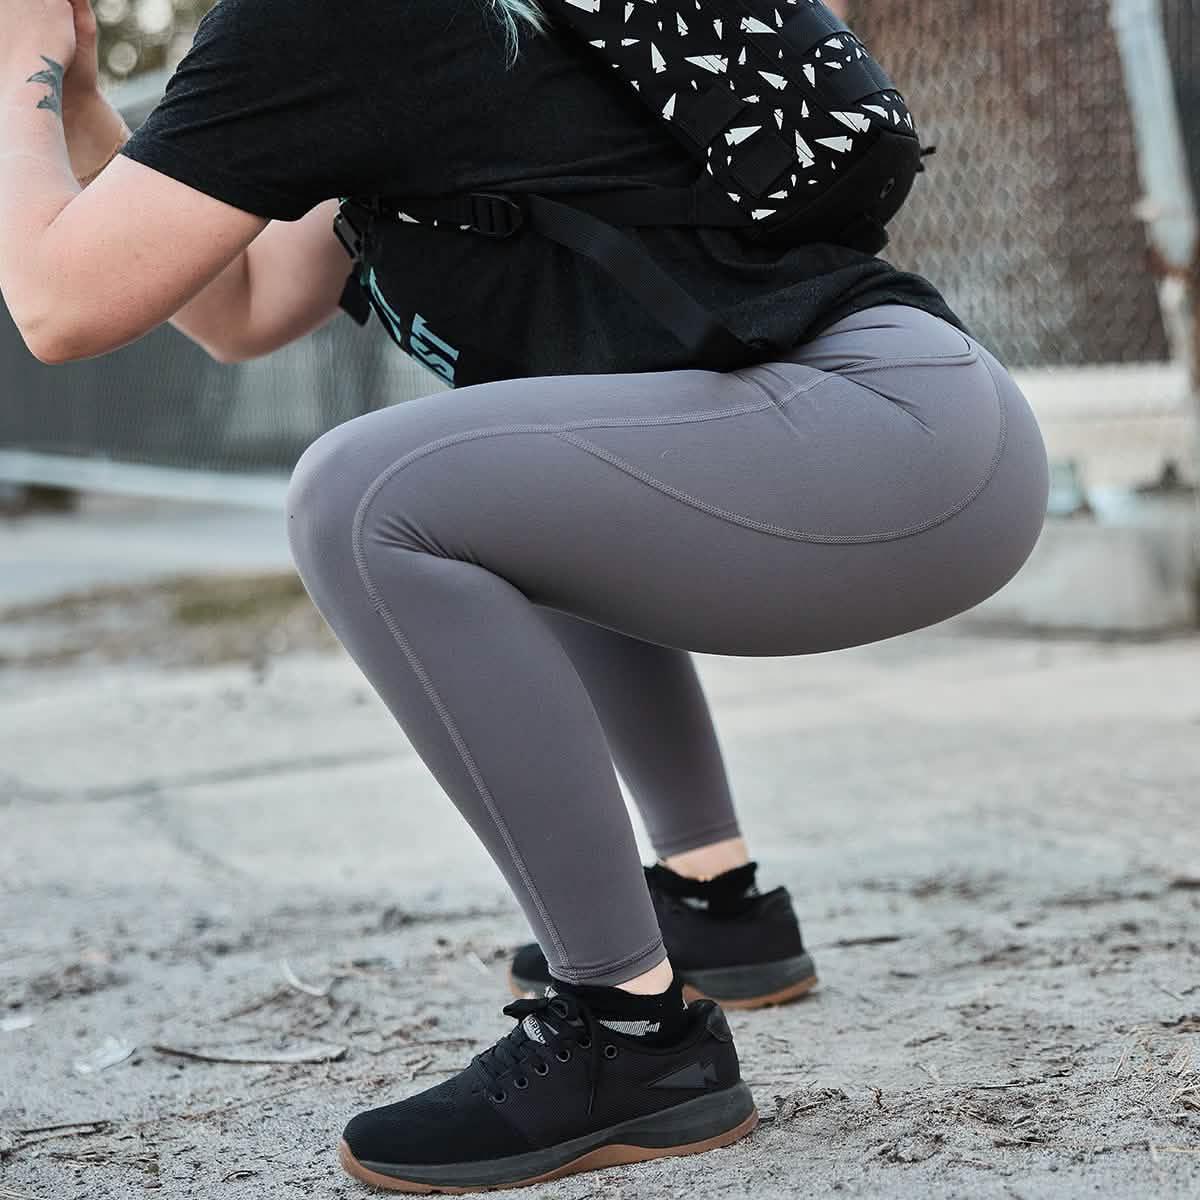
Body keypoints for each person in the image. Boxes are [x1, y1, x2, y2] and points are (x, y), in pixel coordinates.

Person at [0, 0, 1050, 1191]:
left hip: (881, 441)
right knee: (505, 474)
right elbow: (237, 313)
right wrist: (79, 101)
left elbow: (60, 306)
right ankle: (717, 904)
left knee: (364, 492)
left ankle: (632, 1035)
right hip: (911, 435)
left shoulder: (323, 24)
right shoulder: (386, 48)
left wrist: (12, 72)